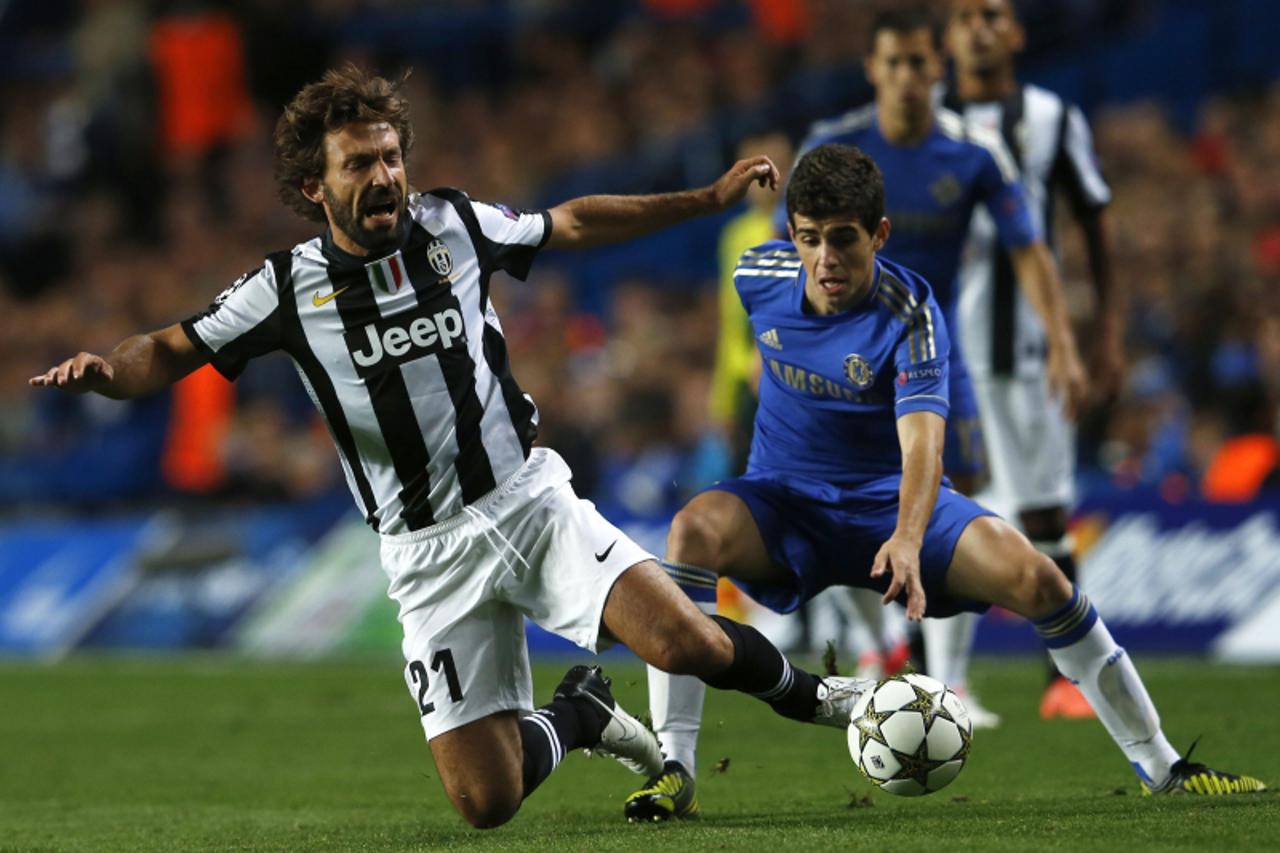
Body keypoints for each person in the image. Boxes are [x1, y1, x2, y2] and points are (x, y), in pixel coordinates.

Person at [29, 66, 876, 830]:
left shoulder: (454, 225)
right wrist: (109, 370)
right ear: (311, 187)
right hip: (424, 554)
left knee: (686, 641)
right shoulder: (286, 288)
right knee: (486, 802)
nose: (384, 175)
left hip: (529, 502)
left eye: (390, 155)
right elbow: (175, 345)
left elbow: (569, 221)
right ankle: (581, 713)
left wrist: (701, 199)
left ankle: (839, 702)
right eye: (358, 164)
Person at [624, 142, 1265, 822]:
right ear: (791, 236)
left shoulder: (911, 311)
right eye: (809, 239)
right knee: (691, 529)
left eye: (843, 239)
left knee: (1043, 581)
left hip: (888, 505)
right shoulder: (756, 274)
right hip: (785, 501)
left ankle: (1165, 767)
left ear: (880, 234)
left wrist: (906, 536)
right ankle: (676, 769)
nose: (825, 259)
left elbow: (923, 439)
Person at [796, 5, 1084, 727]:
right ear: (873, 69)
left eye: (918, 63)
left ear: (938, 67)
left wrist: (1062, 339)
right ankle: (881, 649)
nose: (906, 77)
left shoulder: (974, 154)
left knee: (958, 505)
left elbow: (1030, 246)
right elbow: (785, 253)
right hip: (844, 354)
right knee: (827, 503)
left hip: (933, 351)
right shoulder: (835, 149)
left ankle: (946, 681)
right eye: (892, 63)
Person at [944, 0, 1123, 719]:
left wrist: (1103, 332)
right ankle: (945, 681)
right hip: (943, 349)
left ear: (1016, 32)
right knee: (945, 508)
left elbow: (1094, 223)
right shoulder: (920, 120)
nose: (980, 27)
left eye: (993, 14)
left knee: (1047, 508)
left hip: (1028, 348)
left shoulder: (1053, 118)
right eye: (965, 16)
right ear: (949, 36)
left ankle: (1067, 679)